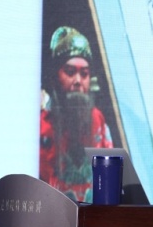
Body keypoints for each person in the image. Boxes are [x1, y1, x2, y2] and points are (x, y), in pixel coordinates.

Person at [39, 26, 113, 202]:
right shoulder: (41, 128)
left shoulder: (98, 121)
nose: (78, 81)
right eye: (70, 72)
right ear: (56, 77)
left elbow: (111, 182)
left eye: (84, 74)